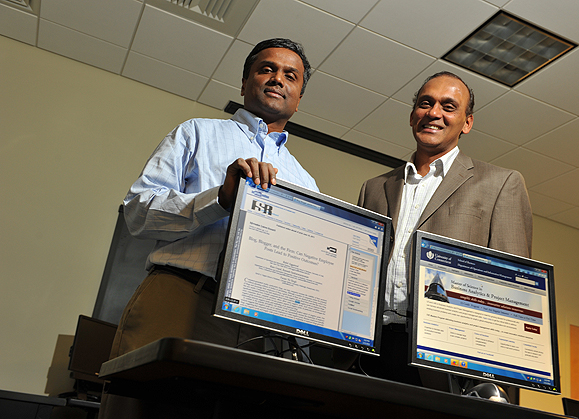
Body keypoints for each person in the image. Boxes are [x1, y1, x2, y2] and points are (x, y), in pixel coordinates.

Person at [99, 38, 317, 418]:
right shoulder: (195, 133)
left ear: (299, 97)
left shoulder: (306, 182)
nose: (277, 79)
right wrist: (219, 198)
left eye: (290, 75)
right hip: (179, 298)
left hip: (256, 328)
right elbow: (137, 212)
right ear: (245, 82)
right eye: (266, 69)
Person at [353, 71, 533, 388]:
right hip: (367, 348)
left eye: (448, 106)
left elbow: (513, 290)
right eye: (426, 103)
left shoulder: (501, 183)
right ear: (412, 116)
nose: (434, 113)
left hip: (445, 360)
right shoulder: (374, 187)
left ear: (467, 123)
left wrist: (496, 379)